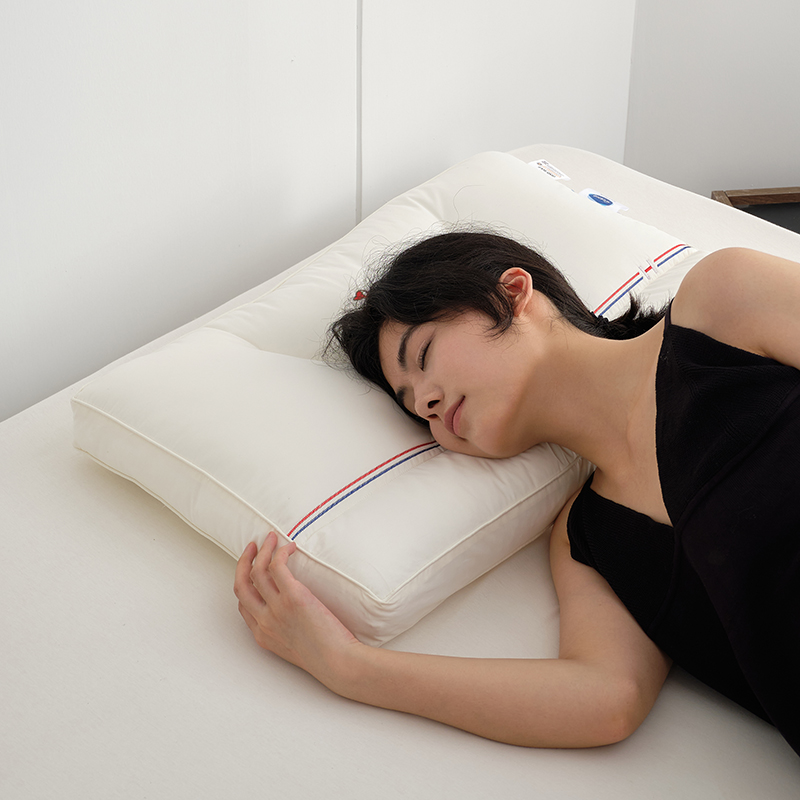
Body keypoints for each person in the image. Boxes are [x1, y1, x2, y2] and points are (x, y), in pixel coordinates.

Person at [234, 231, 800, 755]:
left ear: (510, 292)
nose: (426, 403)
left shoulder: (724, 303)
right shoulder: (587, 539)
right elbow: (606, 699)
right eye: (413, 407)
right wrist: (347, 666)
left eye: (423, 356)